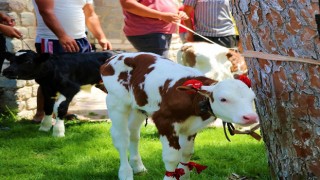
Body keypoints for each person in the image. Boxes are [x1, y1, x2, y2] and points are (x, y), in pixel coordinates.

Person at [32, 0, 112, 123]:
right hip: (52, 39)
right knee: (49, 80)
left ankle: (61, 111)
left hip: (81, 40)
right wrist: (62, 35)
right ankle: (40, 115)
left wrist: (101, 37)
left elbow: (90, 14)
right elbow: (45, 11)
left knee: (79, 78)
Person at [119, 0, 188, 58]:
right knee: (159, 67)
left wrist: (177, 13)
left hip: (161, 32)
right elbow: (127, 4)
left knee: (159, 65)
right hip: (149, 32)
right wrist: (161, 15)